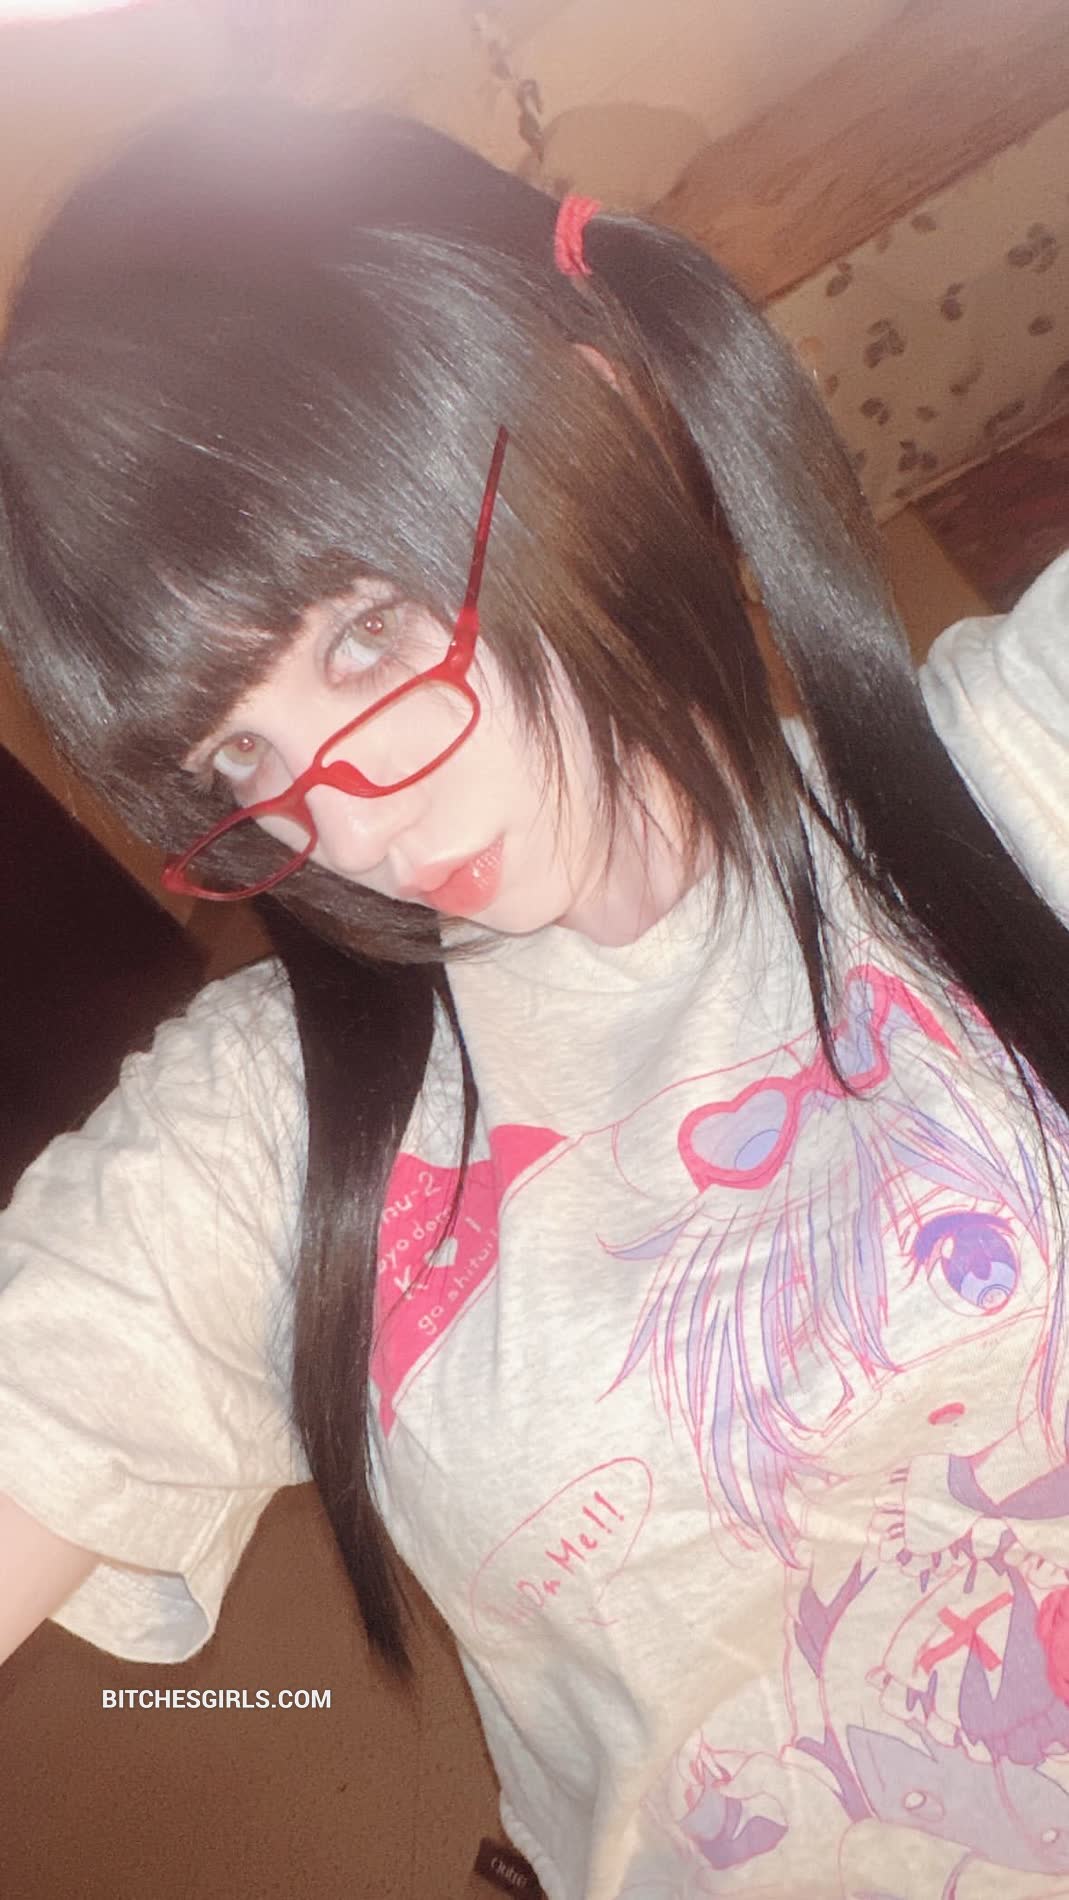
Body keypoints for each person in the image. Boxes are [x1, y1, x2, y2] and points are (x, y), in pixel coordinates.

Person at [1, 96, 1068, 1900]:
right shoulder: (272, 1127)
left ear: (605, 416)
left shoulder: (1021, 765)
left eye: (362, 636)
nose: (346, 821)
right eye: (238, 756)